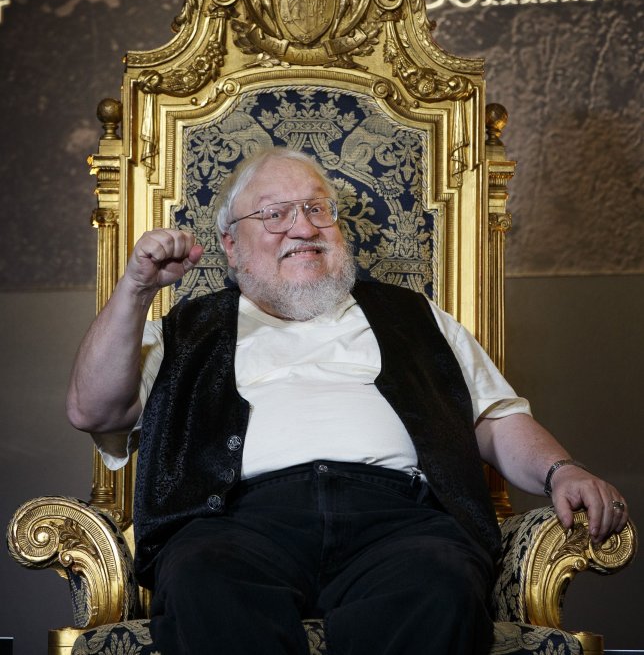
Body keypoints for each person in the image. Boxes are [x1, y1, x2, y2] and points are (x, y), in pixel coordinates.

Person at [67, 147, 628, 655]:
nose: (302, 227)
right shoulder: (184, 330)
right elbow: (94, 412)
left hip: (400, 524)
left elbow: (495, 418)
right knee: (203, 581)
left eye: (318, 209)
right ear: (232, 247)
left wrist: (561, 470)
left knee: (441, 584)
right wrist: (136, 289)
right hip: (234, 523)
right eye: (275, 214)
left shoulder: (416, 317)